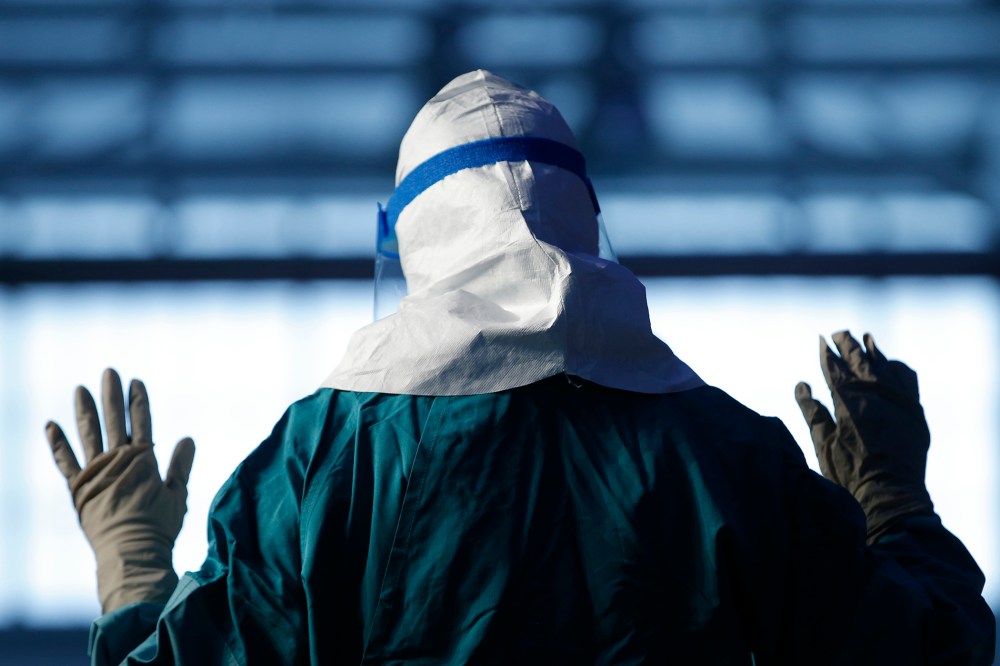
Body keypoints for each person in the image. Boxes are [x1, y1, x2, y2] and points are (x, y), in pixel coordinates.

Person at [46, 71, 993, 665]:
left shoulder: (322, 459)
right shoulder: (728, 458)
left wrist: (133, 573)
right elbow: (925, 651)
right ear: (588, 224)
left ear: (411, 239)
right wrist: (897, 505)